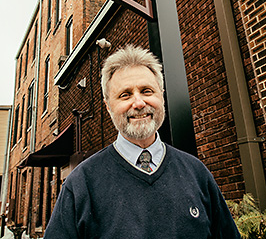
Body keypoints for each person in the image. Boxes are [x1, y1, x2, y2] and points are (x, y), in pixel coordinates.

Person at [44, 44, 241, 238]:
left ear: (161, 96)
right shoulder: (81, 184)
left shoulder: (197, 173)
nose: (139, 103)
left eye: (147, 91)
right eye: (125, 95)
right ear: (108, 107)